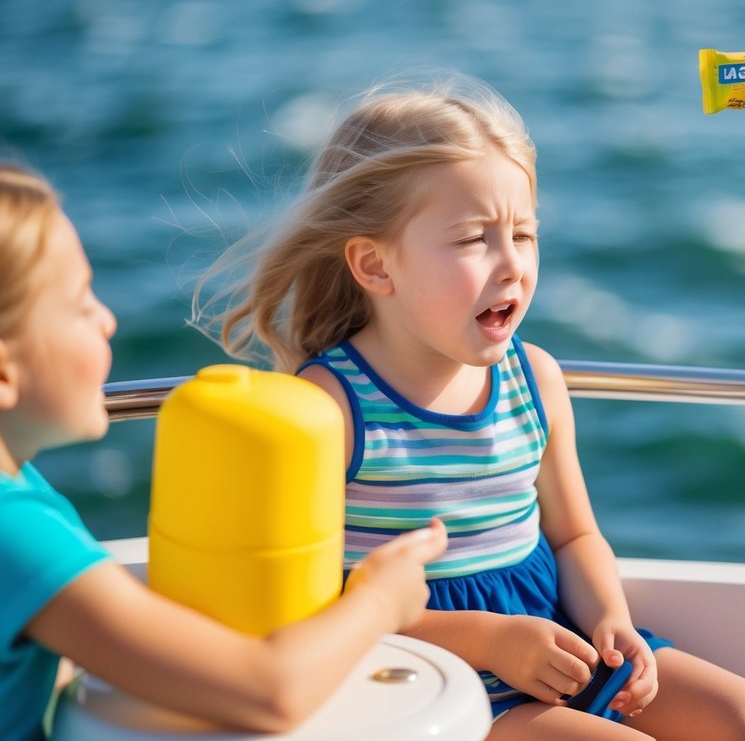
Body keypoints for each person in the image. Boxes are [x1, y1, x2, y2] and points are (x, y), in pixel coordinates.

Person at [201, 76, 745, 740]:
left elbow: (573, 536)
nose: (511, 264)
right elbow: (312, 608)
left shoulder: (533, 381)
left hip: (562, 647)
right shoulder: (330, 407)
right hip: (443, 684)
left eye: (523, 234)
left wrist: (609, 619)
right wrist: (489, 642)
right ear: (374, 265)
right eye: (472, 238)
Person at [0, 164, 448, 741]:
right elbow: (269, 692)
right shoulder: (17, 533)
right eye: (80, 303)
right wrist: (381, 599)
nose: (107, 320)